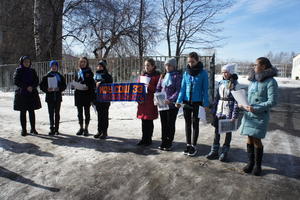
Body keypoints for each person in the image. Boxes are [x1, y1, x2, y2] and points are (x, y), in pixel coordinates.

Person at [239, 57, 278, 176]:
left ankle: (258, 166)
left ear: (264, 66)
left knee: (256, 139)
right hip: (249, 114)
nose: (253, 67)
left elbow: (272, 101)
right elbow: (249, 97)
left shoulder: (271, 82)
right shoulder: (253, 81)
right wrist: (242, 102)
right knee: (249, 138)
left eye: (256, 65)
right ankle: (250, 163)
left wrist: (256, 107)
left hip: (260, 115)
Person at [175, 52, 209, 157]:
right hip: (186, 102)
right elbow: (183, 88)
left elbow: (205, 90)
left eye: (192, 62)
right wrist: (179, 100)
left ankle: (194, 145)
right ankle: (188, 144)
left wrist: (206, 103)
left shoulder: (203, 73)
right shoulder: (186, 73)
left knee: (195, 124)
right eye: (189, 62)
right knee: (187, 124)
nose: (190, 64)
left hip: (197, 102)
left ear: (197, 61)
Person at [206, 64, 239, 161]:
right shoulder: (220, 82)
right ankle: (214, 151)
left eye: (226, 72)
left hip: (229, 110)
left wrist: (234, 114)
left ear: (231, 72)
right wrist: (213, 109)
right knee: (217, 131)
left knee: (228, 132)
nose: (224, 74)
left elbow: (237, 100)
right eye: (223, 72)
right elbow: (217, 97)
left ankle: (225, 152)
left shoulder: (235, 84)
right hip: (219, 110)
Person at [156, 58, 182, 151]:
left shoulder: (177, 76)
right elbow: (158, 88)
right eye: (166, 65)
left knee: (170, 123)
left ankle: (169, 142)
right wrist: (156, 97)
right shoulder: (163, 76)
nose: (167, 67)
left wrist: (170, 99)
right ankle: (163, 141)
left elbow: (178, 90)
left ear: (174, 66)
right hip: (162, 103)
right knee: (163, 123)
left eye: (169, 65)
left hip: (172, 104)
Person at [13, 56, 41, 136]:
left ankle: (33, 128)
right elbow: (16, 81)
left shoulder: (32, 71)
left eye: (28, 62)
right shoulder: (18, 70)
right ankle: (24, 129)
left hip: (31, 94)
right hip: (22, 94)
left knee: (32, 112)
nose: (27, 63)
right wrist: (26, 87)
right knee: (23, 112)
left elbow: (36, 80)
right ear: (22, 62)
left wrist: (32, 86)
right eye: (25, 62)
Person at [137, 58, 160, 146]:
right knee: (143, 121)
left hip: (150, 101)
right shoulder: (142, 75)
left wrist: (149, 85)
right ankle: (143, 139)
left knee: (149, 121)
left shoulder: (156, 76)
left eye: (148, 65)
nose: (146, 67)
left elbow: (158, 89)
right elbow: (137, 87)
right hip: (143, 101)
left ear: (153, 66)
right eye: (145, 65)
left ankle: (148, 139)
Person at [40, 60, 67, 135]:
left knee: (57, 113)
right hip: (50, 98)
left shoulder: (60, 76)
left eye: (55, 66)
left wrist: (59, 88)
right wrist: (47, 89)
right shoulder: (46, 76)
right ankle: (51, 128)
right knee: (51, 113)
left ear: (57, 67)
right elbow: (41, 86)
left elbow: (64, 86)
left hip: (58, 97)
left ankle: (56, 129)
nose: (54, 67)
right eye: (53, 66)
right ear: (50, 66)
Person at [74, 57, 95, 136]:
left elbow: (92, 84)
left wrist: (88, 86)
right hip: (78, 94)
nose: (82, 63)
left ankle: (86, 128)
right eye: (81, 62)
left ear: (87, 63)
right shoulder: (77, 72)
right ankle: (81, 128)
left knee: (87, 112)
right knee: (79, 113)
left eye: (84, 62)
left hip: (86, 95)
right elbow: (76, 81)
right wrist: (74, 85)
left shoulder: (89, 72)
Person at [93, 60, 113, 140]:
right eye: (99, 66)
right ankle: (99, 131)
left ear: (104, 67)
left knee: (104, 116)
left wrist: (102, 83)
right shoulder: (95, 75)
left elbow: (110, 85)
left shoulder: (108, 75)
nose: (99, 67)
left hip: (105, 99)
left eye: (101, 66)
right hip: (97, 98)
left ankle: (105, 132)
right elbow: (93, 85)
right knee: (99, 115)